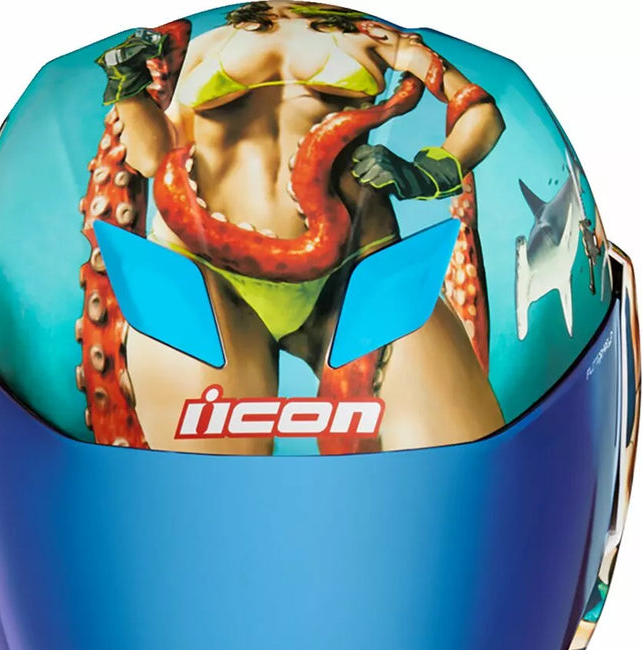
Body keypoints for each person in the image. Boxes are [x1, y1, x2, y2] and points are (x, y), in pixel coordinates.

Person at [97, 2, 506, 452]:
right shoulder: (198, 42)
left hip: (357, 267)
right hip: (207, 273)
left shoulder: (379, 39)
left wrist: (428, 172)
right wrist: (128, 87)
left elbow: (480, 111)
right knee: (203, 480)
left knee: (461, 455)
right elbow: (152, 156)